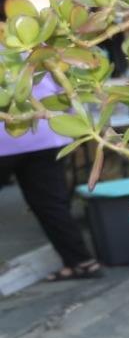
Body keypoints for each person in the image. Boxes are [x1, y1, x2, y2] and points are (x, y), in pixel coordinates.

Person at [0, 62, 103, 281]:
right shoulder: (40, 42)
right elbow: (67, 88)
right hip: (46, 134)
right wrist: (74, 124)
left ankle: (80, 262)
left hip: (6, 140)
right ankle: (82, 262)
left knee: (50, 204)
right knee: (51, 205)